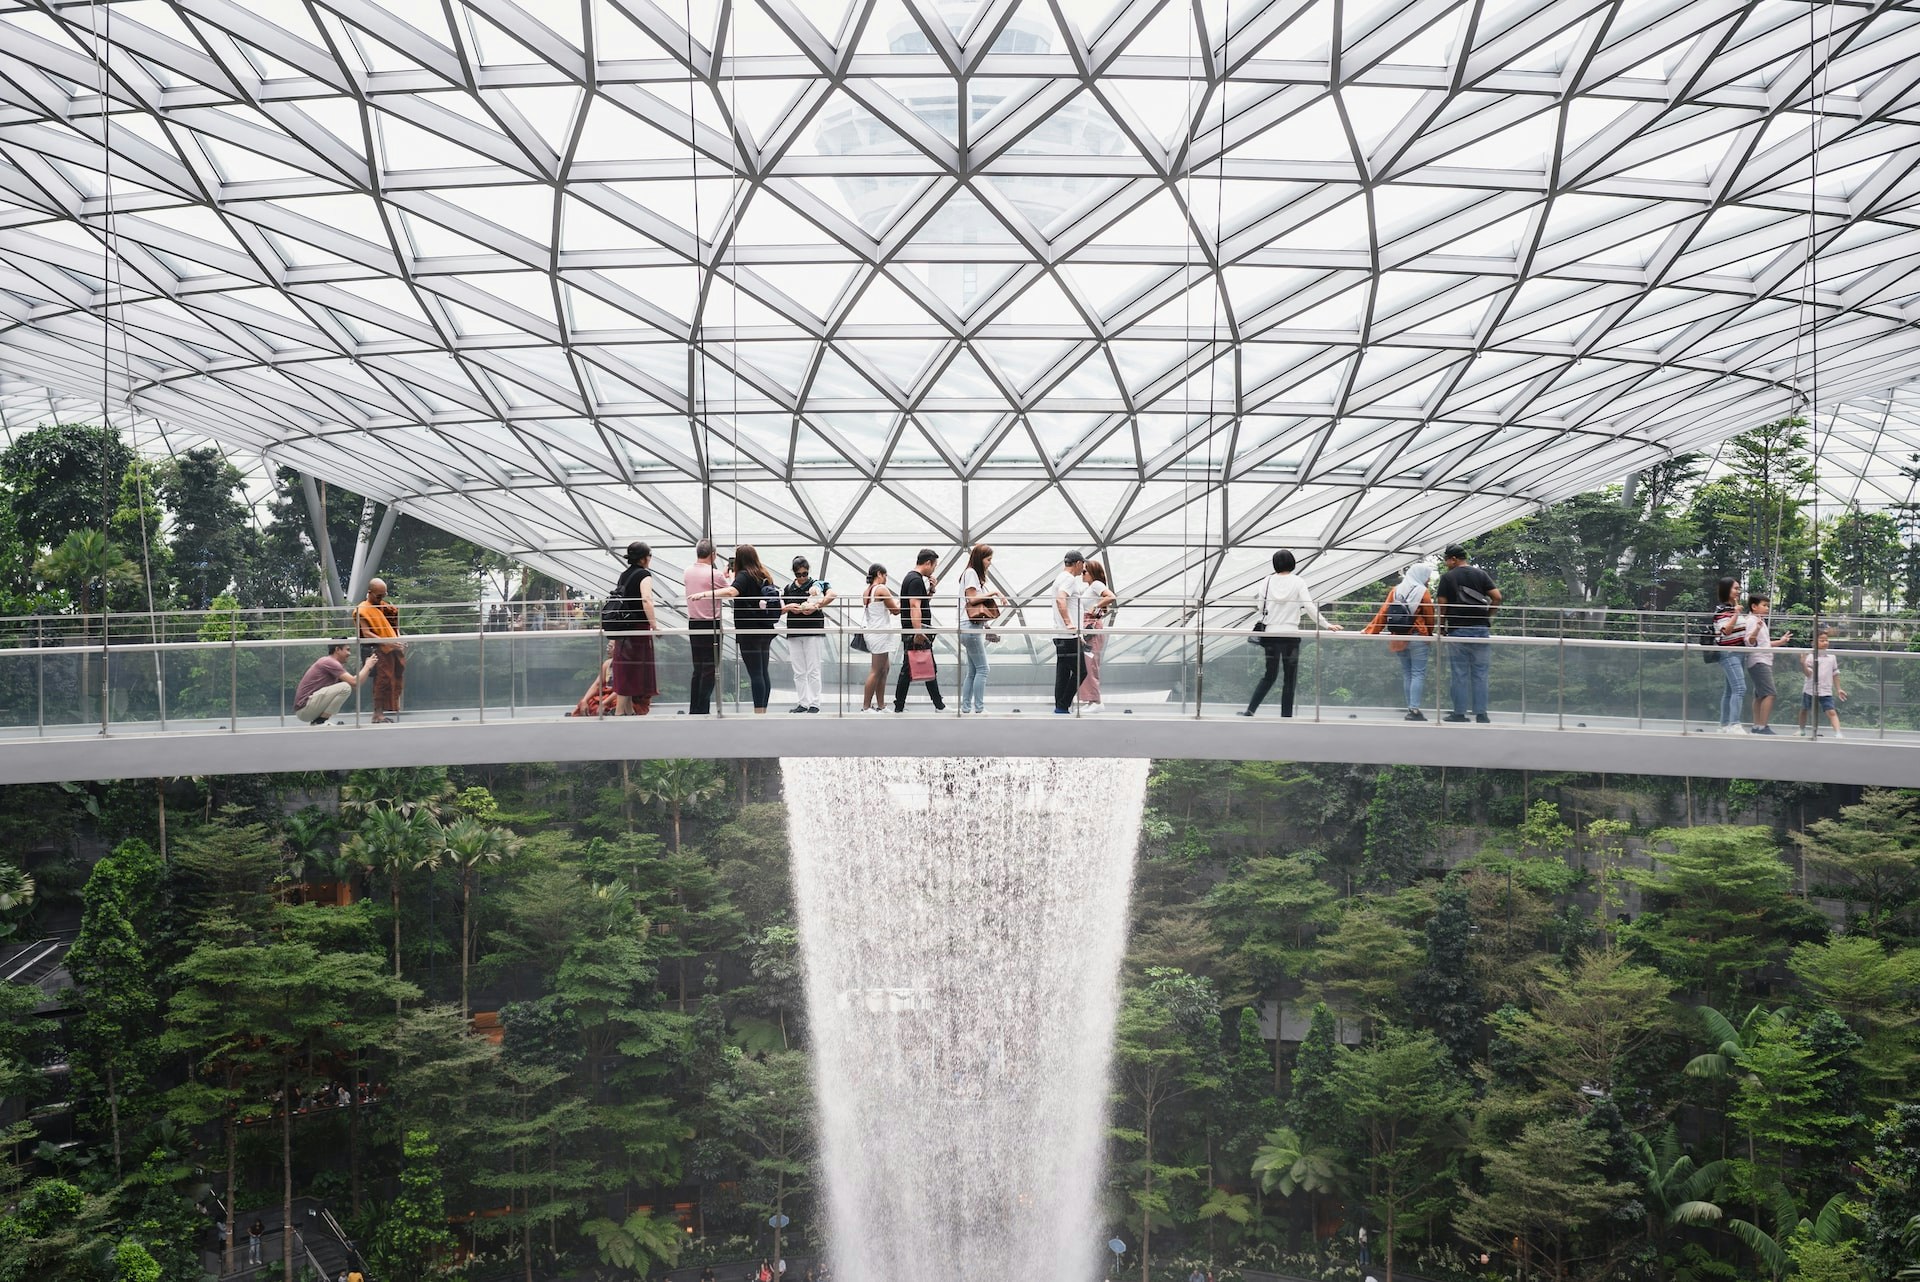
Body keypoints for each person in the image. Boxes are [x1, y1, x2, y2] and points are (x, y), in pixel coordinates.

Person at [1242, 550, 1340, 717]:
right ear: (1292, 563)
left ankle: (1250, 710)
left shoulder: (1267, 581)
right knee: (1290, 677)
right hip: (1290, 635)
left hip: (1271, 634)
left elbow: (1260, 607)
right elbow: (1308, 606)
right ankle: (1286, 715)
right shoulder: (1298, 581)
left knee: (1269, 675)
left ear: (1275, 564)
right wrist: (1326, 624)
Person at [692, 545, 778, 713]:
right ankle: (763, 710)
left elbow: (732, 592)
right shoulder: (763, 574)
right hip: (765, 628)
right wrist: (732, 577)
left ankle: (758, 712)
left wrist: (704, 594)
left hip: (749, 631)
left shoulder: (744, 575)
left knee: (755, 673)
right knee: (763, 672)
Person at [1435, 544, 1501, 723]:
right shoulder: (1481, 574)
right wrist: (1488, 617)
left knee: (1459, 672)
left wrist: (1441, 628)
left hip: (1458, 630)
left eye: (1447, 560)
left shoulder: (1448, 577)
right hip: (1480, 629)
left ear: (1454, 559)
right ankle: (1481, 714)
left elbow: (1443, 606)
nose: (1446, 563)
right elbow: (1497, 597)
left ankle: (1459, 713)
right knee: (1480, 673)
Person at [1361, 564, 1437, 719]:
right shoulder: (1423, 592)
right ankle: (1414, 709)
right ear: (1420, 575)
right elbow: (1429, 617)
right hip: (1417, 637)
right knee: (1417, 673)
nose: (1428, 579)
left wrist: (1370, 630)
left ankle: (1411, 708)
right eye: (1427, 575)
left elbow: (1383, 613)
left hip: (1398, 637)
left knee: (1407, 673)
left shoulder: (1396, 590)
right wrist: (1428, 635)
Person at [606, 541, 661, 715]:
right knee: (632, 672)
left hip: (623, 629)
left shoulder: (624, 575)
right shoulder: (644, 574)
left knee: (626, 671)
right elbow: (646, 599)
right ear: (645, 558)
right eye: (650, 556)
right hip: (638, 628)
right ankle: (620, 714)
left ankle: (627, 714)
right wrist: (654, 625)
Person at [683, 538, 731, 715]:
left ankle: (694, 708)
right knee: (710, 669)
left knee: (698, 669)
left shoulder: (687, 572)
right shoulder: (715, 574)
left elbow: (705, 584)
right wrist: (729, 576)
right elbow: (730, 591)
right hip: (711, 624)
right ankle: (703, 709)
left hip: (694, 624)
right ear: (713, 555)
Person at [894, 549, 945, 712]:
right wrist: (918, 632)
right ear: (928, 562)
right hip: (915, 632)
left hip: (914, 631)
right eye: (934, 565)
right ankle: (937, 706)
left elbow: (922, 602)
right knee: (914, 669)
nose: (934, 569)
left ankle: (902, 706)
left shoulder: (912, 578)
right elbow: (915, 606)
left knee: (922, 667)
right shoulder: (915, 580)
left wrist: (932, 589)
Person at [956, 544, 1004, 715]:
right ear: (979, 558)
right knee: (983, 669)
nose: (990, 563)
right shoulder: (971, 573)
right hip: (970, 628)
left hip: (970, 626)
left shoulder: (971, 574)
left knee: (973, 671)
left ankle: (966, 708)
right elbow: (972, 599)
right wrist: (994, 593)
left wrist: (987, 626)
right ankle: (979, 708)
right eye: (988, 559)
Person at [782, 556, 834, 713]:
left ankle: (815, 702)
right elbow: (781, 606)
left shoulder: (817, 584)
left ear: (808, 571)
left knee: (813, 668)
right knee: (798, 670)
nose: (802, 577)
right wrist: (790, 607)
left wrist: (816, 605)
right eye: (799, 575)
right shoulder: (788, 588)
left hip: (812, 630)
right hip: (794, 631)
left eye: (804, 574)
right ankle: (803, 702)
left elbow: (832, 594)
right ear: (794, 573)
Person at [354, 578, 404, 723]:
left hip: (391, 649)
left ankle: (385, 712)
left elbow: (393, 626)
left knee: (392, 680)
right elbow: (367, 633)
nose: (381, 599)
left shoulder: (383, 606)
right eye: (378, 596)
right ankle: (377, 714)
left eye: (383, 595)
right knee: (381, 681)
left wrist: (398, 639)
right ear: (369, 593)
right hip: (378, 650)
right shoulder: (362, 609)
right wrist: (389, 642)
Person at [1743, 592, 1791, 734]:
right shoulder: (1752, 621)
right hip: (1759, 660)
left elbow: (1763, 643)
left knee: (1760, 695)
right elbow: (1750, 642)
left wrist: (1780, 642)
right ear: (1754, 606)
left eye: (1767, 605)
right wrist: (1757, 629)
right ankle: (1763, 726)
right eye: (1764, 605)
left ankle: (1757, 725)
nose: (1767, 608)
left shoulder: (1759, 621)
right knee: (1770, 694)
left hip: (1761, 659)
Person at [293, 641, 372, 725]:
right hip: (304, 708)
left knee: (346, 687)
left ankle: (319, 721)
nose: (349, 653)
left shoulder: (333, 664)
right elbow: (354, 682)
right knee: (345, 687)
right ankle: (320, 722)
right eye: (347, 650)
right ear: (337, 649)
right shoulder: (329, 662)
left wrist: (368, 668)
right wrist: (367, 666)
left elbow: (356, 685)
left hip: (307, 709)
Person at [1706, 575, 1747, 734]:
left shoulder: (1732, 608)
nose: (1738, 591)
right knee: (1740, 688)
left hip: (1739, 652)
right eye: (1735, 588)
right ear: (1726, 590)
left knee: (1730, 690)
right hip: (1729, 653)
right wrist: (1736, 614)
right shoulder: (1722, 610)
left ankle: (1724, 725)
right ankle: (1734, 724)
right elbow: (1726, 631)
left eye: (1738, 588)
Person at [1052, 550, 1089, 714]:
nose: (1084, 569)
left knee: (1063, 671)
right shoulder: (1069, 579)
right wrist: (1069, 624)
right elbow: (1061, 599)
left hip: (1061, 634)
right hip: (1068, 635)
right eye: (1083, 565)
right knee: (1082, 671)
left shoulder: (1060, 577)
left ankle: (1060, 707)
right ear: (1078, 563)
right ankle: (1063, 705)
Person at [1077, 559, 1116, 710]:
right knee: (1087, 664)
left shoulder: (1096, 584)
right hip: (1088, 627)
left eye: (1085, 571)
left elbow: (1111, 597)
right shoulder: (1089, 587)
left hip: (1092, 628)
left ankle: (1096, 701)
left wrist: (1096, 605)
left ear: (1092, 572)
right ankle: (1090, 700)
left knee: (1090, 665)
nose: (1082, 573)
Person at [861, 564, 900, 713]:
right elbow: (895, 610)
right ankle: (866, 707)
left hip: (874, 632)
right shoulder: (881, 589)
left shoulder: (867, 591)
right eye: (885, 575)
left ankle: (881, 705)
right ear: (879, 574)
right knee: (876, 670)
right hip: (880, 634)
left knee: (884, 668)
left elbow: (881, 612)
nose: (886, 579)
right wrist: (903, 602)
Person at [1798, 627, 1847, 738]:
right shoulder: (1810, 657)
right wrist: (1803, 664)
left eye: (1827, 640)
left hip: (1826, 690)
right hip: (1810, 689)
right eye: (1822, 640)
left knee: (1831, 711)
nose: (1825, 643)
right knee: (1804, 709)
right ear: (1813, 643)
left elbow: (1835, 674)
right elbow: (1808, 674)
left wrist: (1839, 689)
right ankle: (1801, 729)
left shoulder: (1832, 657)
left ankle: (1838, 733)